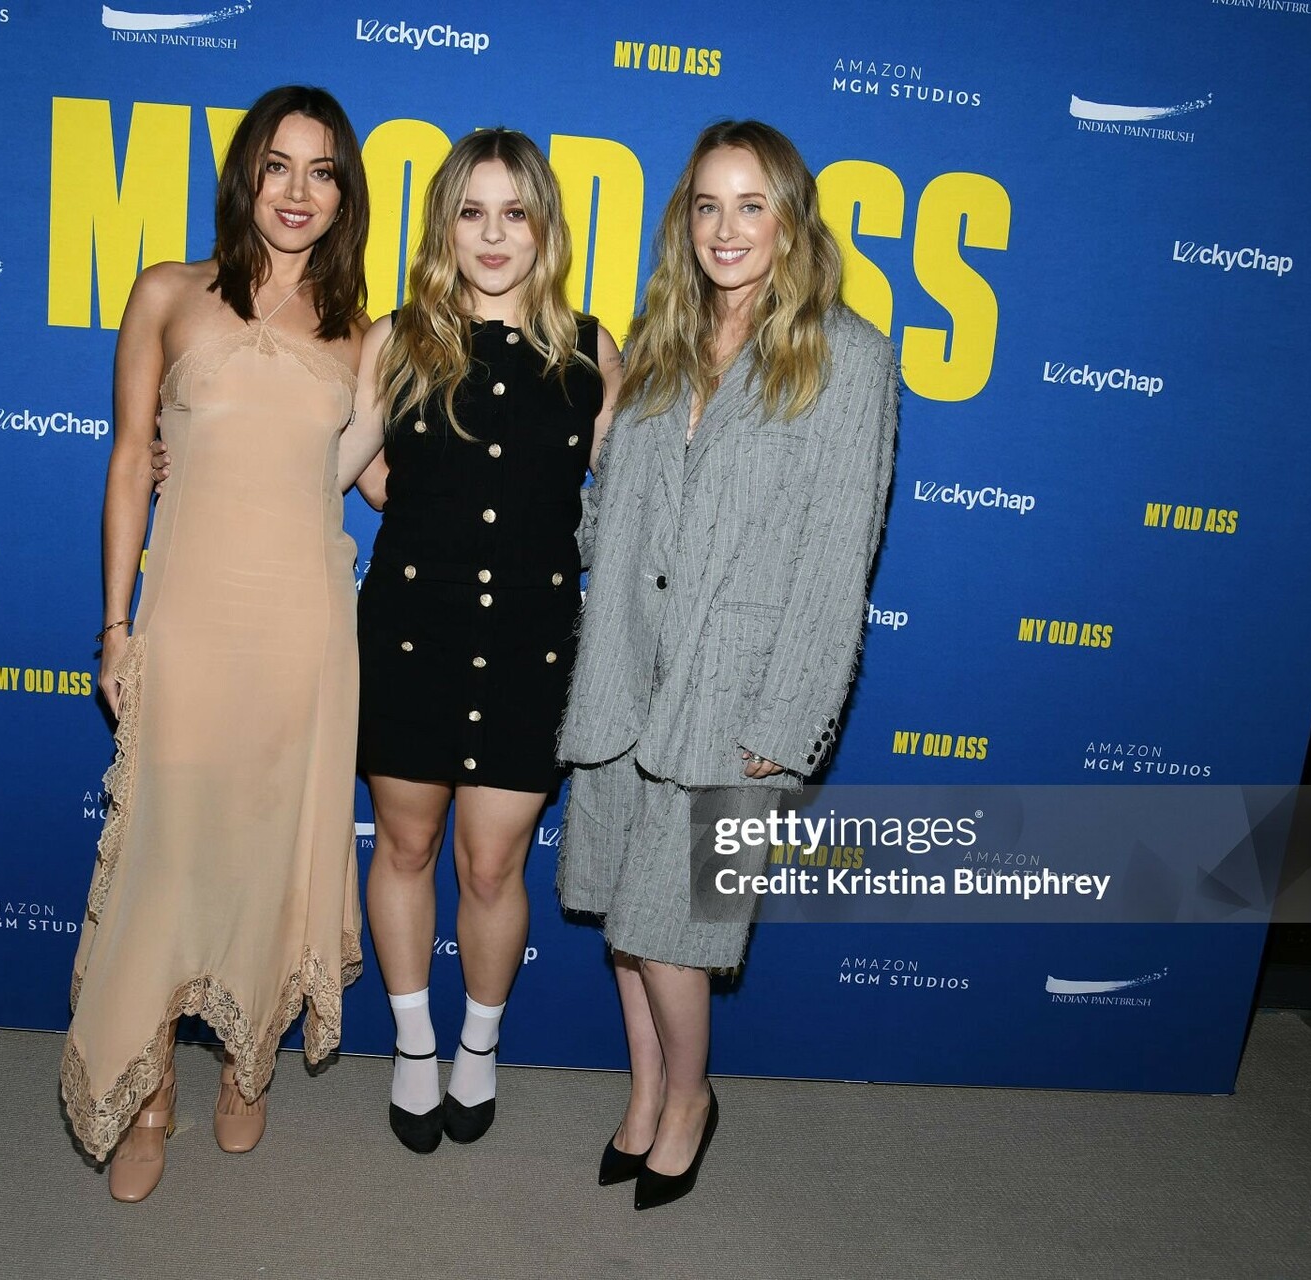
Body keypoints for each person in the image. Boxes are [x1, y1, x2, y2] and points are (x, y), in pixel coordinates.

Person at [557, 120, 898, 1210]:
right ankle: (645, 1093)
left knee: (674, 932)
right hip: (626, 670)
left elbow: (840, 557)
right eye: (707, 204)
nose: (726, 227)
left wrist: (789, 716)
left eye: (752, 205)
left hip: (736, 690)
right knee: (623, 920)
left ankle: (692, 1101)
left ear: (791, 219)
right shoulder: (662, 339)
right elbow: (615, 511)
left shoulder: (848, 355)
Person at [59, 84, 370, 1203]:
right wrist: (115, 625)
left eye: (322, 171)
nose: (298, 191)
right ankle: (148, 1093)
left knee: (271, 849)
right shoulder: (166, 292)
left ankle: (249, 1064)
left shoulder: (363, 333)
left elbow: (385, 478)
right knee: (168, 853)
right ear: (245, 176)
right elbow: (127, 461)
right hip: (188, 618)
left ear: (344, 194)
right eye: (278, 165)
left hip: (306, 632)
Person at [336, 128, 620, 1154]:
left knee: (494, 866)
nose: (493, 235)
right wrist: (196, 450)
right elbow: (339, 469)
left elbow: (633, 504)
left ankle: (479, 1045)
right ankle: (414, 1044)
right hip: (411, 636)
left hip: (533, 647)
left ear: (545, 228)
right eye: (471, 212)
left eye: (515, 212)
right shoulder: (397, 339)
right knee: (406, 846)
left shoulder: (591, 351)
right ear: (443, 227)